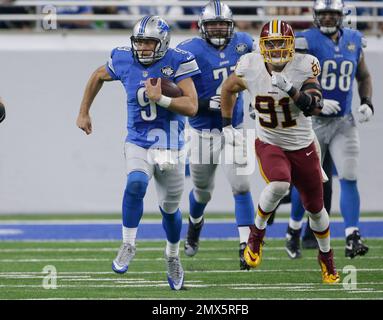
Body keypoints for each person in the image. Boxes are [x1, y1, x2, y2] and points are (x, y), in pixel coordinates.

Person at [76, 15, 200, 290]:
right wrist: (84, 111)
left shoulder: (179, 60)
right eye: (140, 42)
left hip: (171, 145)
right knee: (136, 182)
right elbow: (98, 75)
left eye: (149, 43)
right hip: (139, 140)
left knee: (169, 209)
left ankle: (172, 256)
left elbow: (192, 107)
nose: (143, 48)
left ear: (164, 43)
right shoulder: (122, 58)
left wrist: (162, 99)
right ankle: (128, 244)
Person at [221, 19, 340, 284]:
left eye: (281, 43)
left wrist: (290, 90)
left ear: (292, 45)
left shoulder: (303, 65)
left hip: (302, 144)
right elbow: (227, 89)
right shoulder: (249, 66)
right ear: (262, 47)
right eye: (270, 43)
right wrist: (226, 124)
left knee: (316, 209)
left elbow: (314, 107)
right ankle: (256, 236)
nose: (276, 49)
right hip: (269, 141)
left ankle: (327, 258)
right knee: (278, 183)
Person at [287, 0, 372, 259]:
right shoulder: (305, 40)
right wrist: (315, 104)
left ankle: (352, 236)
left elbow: (364, 75)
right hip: (311, 122)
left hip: (343, 122)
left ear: (341, 16)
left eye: (332, 14)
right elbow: (290, 80)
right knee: (306, 180)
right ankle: (293, 230)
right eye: (322, 15)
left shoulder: (354, 40)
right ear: (315, 16)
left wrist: (367, 102)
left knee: (349, 174)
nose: (326, 19)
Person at [176, 0, 255, 270]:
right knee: (202, 192)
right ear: (202, 26)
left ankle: (247, 246)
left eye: (223, 24)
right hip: (202, 132)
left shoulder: (244, 43)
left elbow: (262, 73)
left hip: (234, 128)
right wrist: (201, 102)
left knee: (241, 185)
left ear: (231, 25)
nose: (219, 29)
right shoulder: (188, 50)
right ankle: (195, 225)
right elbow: (176, 89)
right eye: (213, 24)